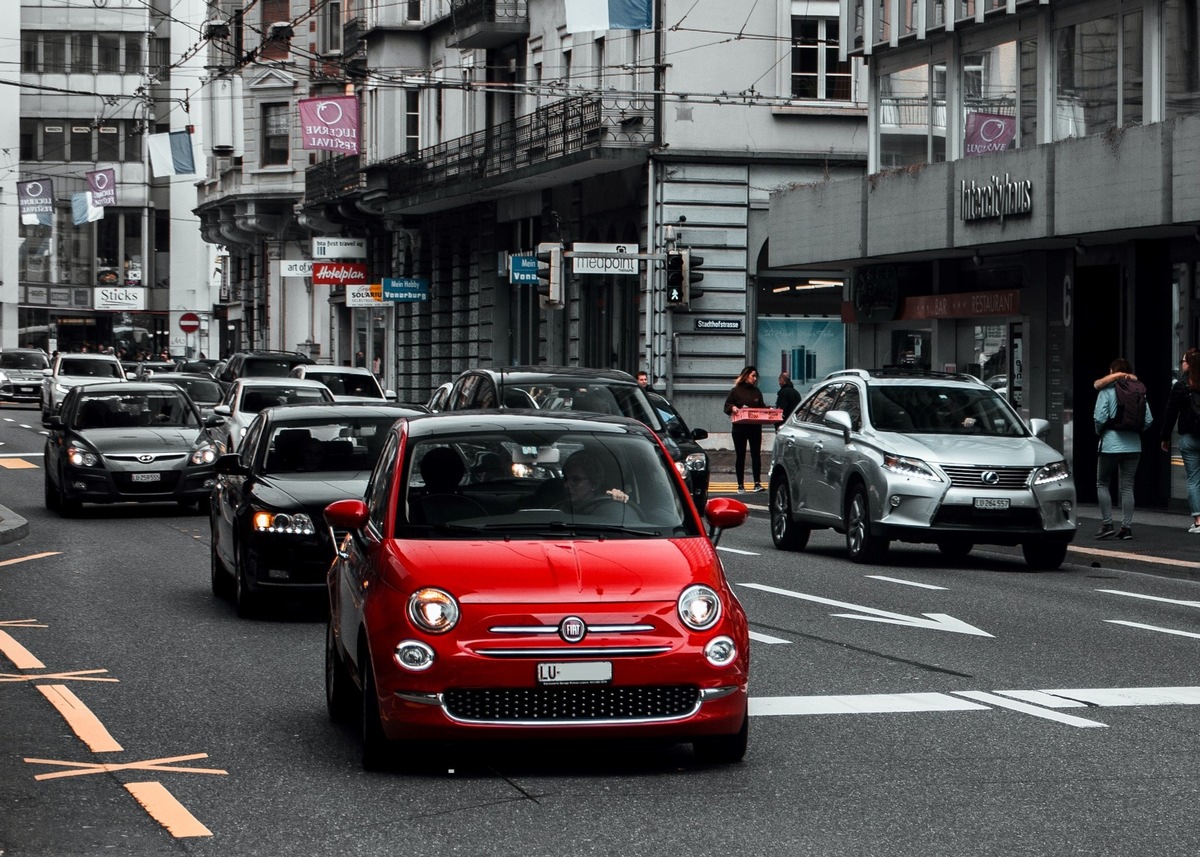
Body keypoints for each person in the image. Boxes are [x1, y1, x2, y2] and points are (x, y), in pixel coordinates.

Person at [1093, 357, 1152, 540]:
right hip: (1133, 446)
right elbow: (1148, 419)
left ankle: (1107, 524)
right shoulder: (1138, 391)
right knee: (1127, 487)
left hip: (1110, 445)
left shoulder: (1106, 390)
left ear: (1112, 372)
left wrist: (1100, 432)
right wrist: (1134, 431)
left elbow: (1099, 418)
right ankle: (1126, 527)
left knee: (1102, 483)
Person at [1158, 347, 1200, 533]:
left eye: (1183, 360)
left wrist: (1165, 438)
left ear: (1189, 364)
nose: (1181, 363)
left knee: (1193, 480)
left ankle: (1199, 521)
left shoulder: (1181, 386)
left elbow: (1170, 414)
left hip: (1190, 437)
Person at [723, 365, 766, 493]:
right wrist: (733, 408)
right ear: (746, 376)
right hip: (739, 429)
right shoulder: (735, 391)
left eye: (756, 376)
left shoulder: (756, 392)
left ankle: (757, 483)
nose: (755, 379)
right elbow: (726, 406)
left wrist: (769, 410)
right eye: (753, 376)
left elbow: (761, 407)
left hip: (754, 427)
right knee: (740, 455)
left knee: (756, 455)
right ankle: (740, 484)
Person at [559, 451, 628, 510]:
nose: (566, 485)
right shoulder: (557, 506)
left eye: (576, 480)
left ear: (595, 484)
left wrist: (618, 499)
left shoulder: (606, 506)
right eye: (565, 478)